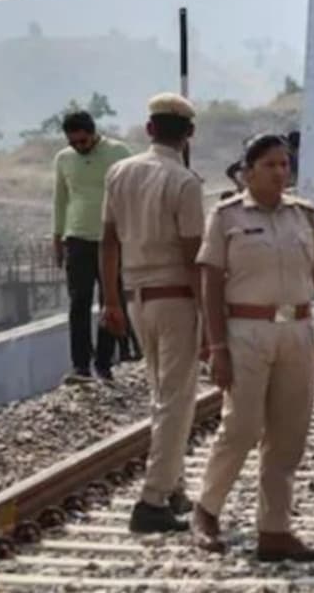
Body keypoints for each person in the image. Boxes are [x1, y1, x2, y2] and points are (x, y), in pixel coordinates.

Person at [191, 134, 314, 561]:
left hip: (296, 332)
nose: (281, 172)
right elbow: (210, 282)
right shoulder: (225, 217)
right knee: (241, 427)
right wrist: (216, 346)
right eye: (271, 165)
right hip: (246, 331)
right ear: (249, 171)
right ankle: (206, 510)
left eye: (285, 165)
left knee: (288, 435)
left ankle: (275, 531)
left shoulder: (303, 215)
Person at [99, 93, 205, 533]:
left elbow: (108, 241)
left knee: (160, 393)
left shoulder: (119, 172)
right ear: (189, 135)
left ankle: (174, 484)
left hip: (137, 297)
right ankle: (153, 500)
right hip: (177, 298)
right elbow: (193, 254)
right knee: (176, 399)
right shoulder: (184, 182)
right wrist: (212, 316)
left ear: (149, 129)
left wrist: (110, 301)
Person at [53, 110, 135, 382]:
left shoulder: (119, 152)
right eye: (73, 143)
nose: (79, 147)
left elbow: (132, 193)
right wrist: (57, 237)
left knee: (110, 300)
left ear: (93, 133)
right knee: (79, 302)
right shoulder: (63, 159)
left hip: (111, 240)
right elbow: (60, 200)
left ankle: (104, 362)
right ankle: (80, 366)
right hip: (77, 237)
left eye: (84, 142)